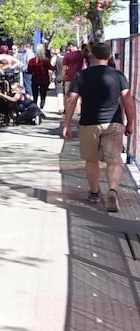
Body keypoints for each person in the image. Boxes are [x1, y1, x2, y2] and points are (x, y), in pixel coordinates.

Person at [62, 42, 135, 211]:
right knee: (114, 161)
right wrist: (130, 123)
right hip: (113, 122)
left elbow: (71, 100)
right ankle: (112, 191)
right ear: (109, 56)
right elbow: (128, 101)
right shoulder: (118, 75)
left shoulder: (81, 76)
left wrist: (67, 124)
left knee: (92, 160)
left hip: (89, 123)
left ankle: (94, 193)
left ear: (91, 55)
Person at [27, 45, 53, 110]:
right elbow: (51, 68)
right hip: (44, 79)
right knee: (43, 94)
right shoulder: (46, 61)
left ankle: (35, 105)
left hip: (35, 79)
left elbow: (29, 71)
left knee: (35, 94)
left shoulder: (31, 61)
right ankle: (42, 105)